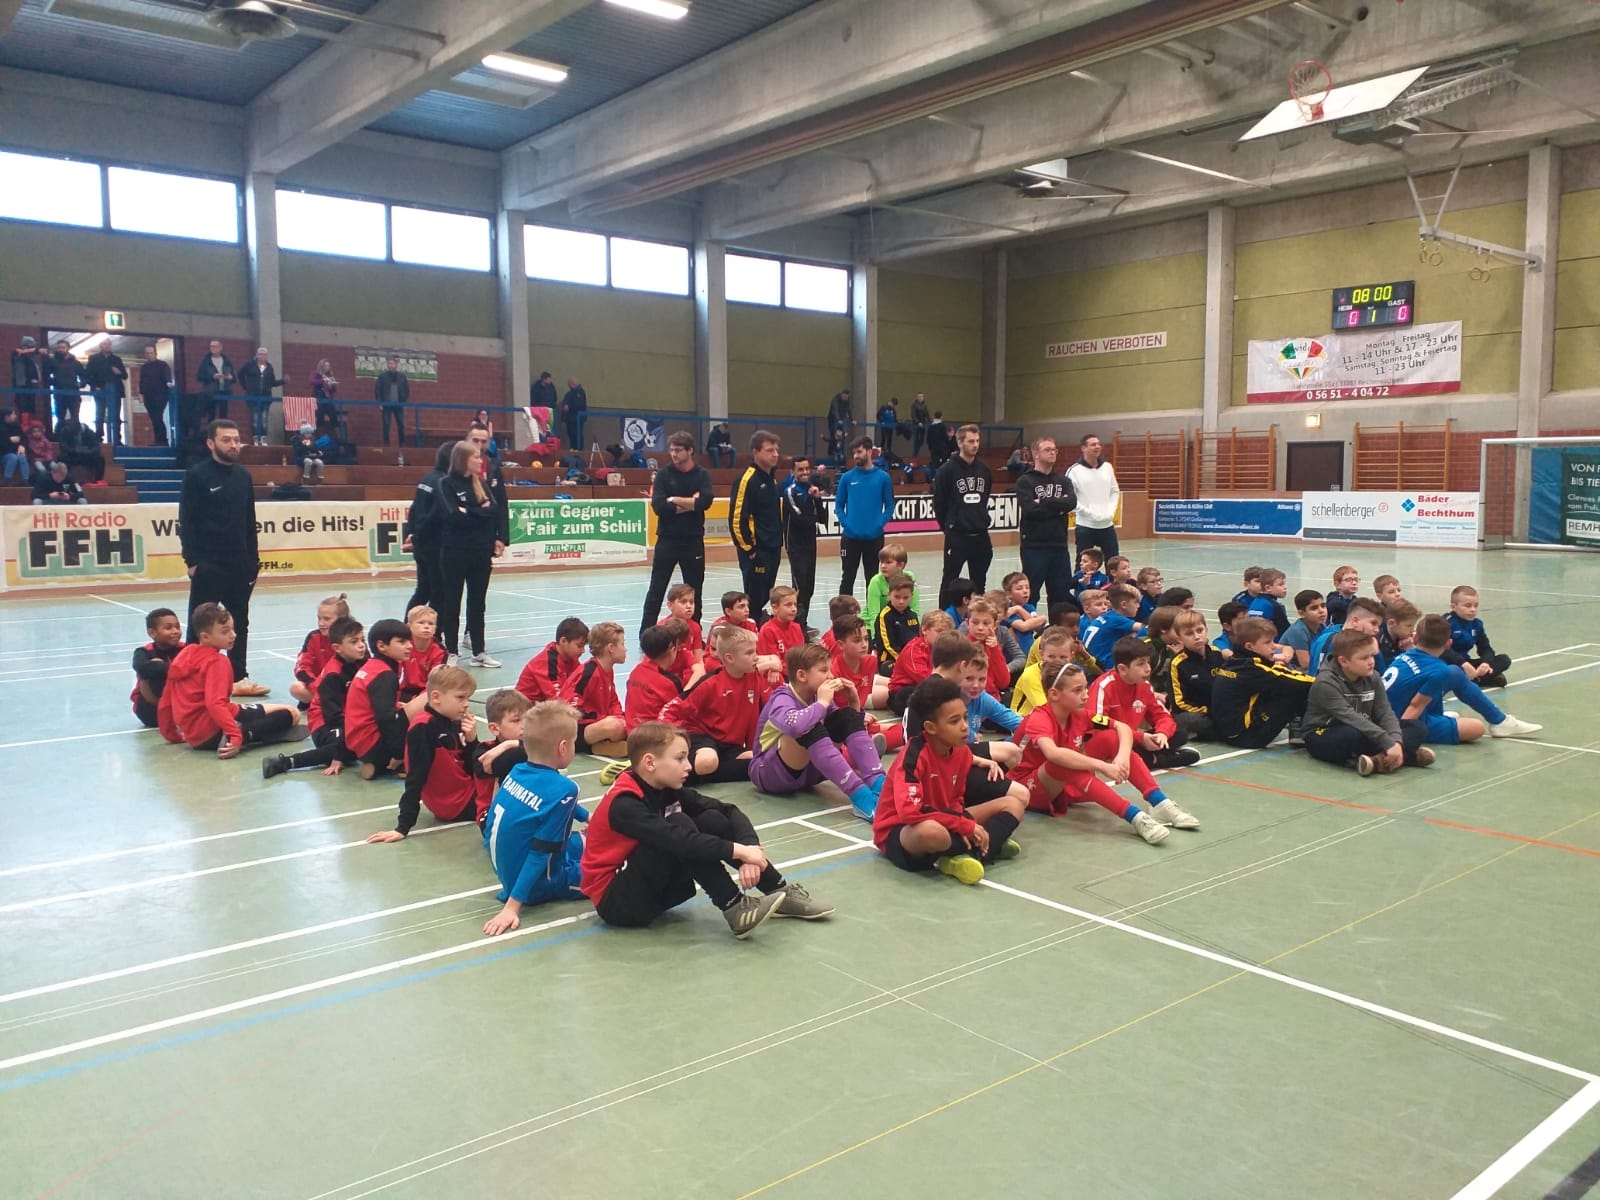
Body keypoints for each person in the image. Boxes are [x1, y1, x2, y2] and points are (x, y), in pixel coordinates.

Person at [581, 721, 832, 936]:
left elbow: (729, 811)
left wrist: (751, 850)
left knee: (711, 819)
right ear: (650, 762)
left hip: (649, 887)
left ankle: (778, 888)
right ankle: (734, 906)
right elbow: (678, 840)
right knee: (679, 826)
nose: (688, 766)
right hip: (618, 901)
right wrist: (739, 852)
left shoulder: (664, 787)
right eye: (680, 758)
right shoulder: (624, 804)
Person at [873, 676, 1028, 886]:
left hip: (944, 819)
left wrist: (962, 824)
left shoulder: (961, 752)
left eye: (965, 717)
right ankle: (984, 846)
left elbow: (956, 799)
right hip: (902, 831)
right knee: (932, 833)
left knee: (1013, 804)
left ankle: (967, 853)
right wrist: (963, 826)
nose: (965, 727)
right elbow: (911, 812)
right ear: (931, 727)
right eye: (954, 721)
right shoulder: (913, 756)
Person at [480, 701, 590, 936]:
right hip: (541, 883)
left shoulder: (517, 770)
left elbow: (548, 805)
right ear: (563, 747)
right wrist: (512, 907)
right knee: (616, 867)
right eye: (574, 742)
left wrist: (588, 816)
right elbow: (540, 853)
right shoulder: (565, 789)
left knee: (592, 839)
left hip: (508, 872)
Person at [178, 419, 267, 695]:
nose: (233, 445)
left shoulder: (243, 476)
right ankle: (193, 677)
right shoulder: (196, 476)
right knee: (199, 624)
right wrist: (193, 562)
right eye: (226, 440)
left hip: (240, 565)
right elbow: (187, 521)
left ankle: (238, 677)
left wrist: (253, 562)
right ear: (211, 443)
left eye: (236, 440)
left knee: (239, 622)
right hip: (209, 565)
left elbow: (249, 521)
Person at [750, 643, 886, 820]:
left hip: (810, 772)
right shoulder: (782, 698)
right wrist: (822, 703)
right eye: (823, 670)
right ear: (802, 675)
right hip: (771, 774)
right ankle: (861, 796)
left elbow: (843, 726)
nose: (831, 676)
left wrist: (853, 702)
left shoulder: (816, 695)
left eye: (829, 669)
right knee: (807, 726)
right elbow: (795, 726)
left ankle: (881, 785)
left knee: (845, 716)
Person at [368, 664, 492, 843]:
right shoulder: (423, 728)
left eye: (468, 698)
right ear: (436, 697)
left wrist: (472, 740)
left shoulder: (453, 721)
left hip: (466, 792)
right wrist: (402, 827)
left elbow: (471, 766)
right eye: (460, 697)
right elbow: (415, 778)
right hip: (457, 803)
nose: (466, 704)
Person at [158, 603, 302, 755]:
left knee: (283, 710)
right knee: (290, 714)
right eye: (225, 631)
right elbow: (215, 703)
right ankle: (248, 734)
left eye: (233, 629)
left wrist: (171, 735)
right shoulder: (217, 661)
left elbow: (165, 702)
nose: (233, 635)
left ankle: (250, 730)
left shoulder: (185, 653)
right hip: (214, 734)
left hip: (194, 736)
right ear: (205, 636)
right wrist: (235, 736)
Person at [1381, 615, 1542, 745]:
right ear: (1449, 644)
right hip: (1401, 720)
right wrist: (1399, 737)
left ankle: (1500, 721)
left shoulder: (1406, 653)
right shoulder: (1439, 670)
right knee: (1477, 728)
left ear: (1415, 639)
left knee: (1455, 672)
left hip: (1385, 712)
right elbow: (1415, 706)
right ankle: (1498, 722)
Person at [1304, 628, 1434, 777]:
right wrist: (1388, 742)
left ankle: (1379, 761)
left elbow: (1385, 712)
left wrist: (1396, 741)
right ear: (1343, 661)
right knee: (1351, 734)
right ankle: (1405, 756)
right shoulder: (1326, 683)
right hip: (1324, 733)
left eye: (1372, 655)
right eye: (1364, 658)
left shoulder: (1373, 677)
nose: (1371, 662)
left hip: (1364, 729)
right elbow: (1351, 717)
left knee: (1417, 727)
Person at [262, 617, 369, 779]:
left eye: (362, 640)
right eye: (354, 642)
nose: (361, 645)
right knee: (350, 745)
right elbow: (334, 718)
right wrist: (340, 753)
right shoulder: (333, 675)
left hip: (350, 719)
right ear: (337, 648)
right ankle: (284, 762)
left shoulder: (363, 660)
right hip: (324, 724)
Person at [437, 432, 508, 669]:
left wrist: (469, 511)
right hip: (455, 552)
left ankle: (479, 651)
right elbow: (453, 516)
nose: (480, 460)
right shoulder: (446, 484)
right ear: (463, 459)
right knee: (452, 602)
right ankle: (451, 651)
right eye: (476, 457)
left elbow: (493, 511)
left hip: (480, 552)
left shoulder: (481, 484)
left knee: (477, 604)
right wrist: (478, 511)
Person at [661, 624, 765, 783]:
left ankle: (708, 774)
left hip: (730, 745)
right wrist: (671, 743)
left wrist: (753, 748)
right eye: (749, 653)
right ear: (730, 658)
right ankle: (668, 773)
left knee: (759, 760)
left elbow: (752, 718)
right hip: (702, 738)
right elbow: (670, 710)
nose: (756, 657)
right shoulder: (710, 683)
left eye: (755, 651)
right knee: (708, 761)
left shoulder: (753, 676)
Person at [1087, 636, 1201, 770]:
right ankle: (1160, 759)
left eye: (1148, 662)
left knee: (1179, 731)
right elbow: (1097, 725)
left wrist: (1162, 734)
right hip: (1109, 741)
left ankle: (1151, 757)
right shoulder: (1104, 687)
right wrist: (1140, 738)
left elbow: (1162, 715)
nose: (1148, 668)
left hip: (1133, 739)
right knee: (1113, 740)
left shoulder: (1144, 686)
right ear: (1123, 669)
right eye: (1141, 664)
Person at [641, 430, 712, 637]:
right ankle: (646, 635)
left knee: (695, 592)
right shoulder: (664, 475)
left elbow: (705, 502)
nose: (674, 454)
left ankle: (694, 636)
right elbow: (659, 507)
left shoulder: (702, 475)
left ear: (690, 451)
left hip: (693, 541)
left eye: (679, 450)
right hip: (667, 540)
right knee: (656, 590)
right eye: (672, 450)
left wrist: (674, 500)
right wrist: (690, 502)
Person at [1209, 617, 1315, 749]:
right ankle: (1309, 728)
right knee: (1294, 690)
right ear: (1250, 646)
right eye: (1268, 642)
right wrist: (1325, 682)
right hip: (1247, 737)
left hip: (1228, 733)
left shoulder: (1236, 661)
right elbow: (1295, 681)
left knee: (1282, 685)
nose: (1273, 646)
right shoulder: (1253, 669)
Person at [344, 618, 428, 779]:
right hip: (375, 745)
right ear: (381, 646)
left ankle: (377, 765)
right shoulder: (384, 675)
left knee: (406, 708)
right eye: (402, 642)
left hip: (361, 744)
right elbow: (386, 720)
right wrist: (398, 754)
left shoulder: (373, 666)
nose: (409, 646)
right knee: (431, 699)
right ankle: (399, 762)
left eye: (409, 641)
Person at [1015, 436, 1076, 617]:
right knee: (1030, 593)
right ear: (1036, 454)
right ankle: (1028, 626)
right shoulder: (1025, 481)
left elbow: (1071, 503)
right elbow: (1031, 509)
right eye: (1047, 449)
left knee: (1061, 593)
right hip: (1034, 546)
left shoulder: (1063, 480)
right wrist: (1058, 505)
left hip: (1059, 545)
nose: (1052, 453)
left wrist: (1043, 501)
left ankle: (1058, 629)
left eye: (1054, 449)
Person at [933, 423, 994, 593]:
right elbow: (939, 504)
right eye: (971, 441)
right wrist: (950, 527)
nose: (975, 445)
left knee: (979, 581)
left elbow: (985, 498)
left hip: (981, 535)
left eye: (977, 441)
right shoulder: (947, 470)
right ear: (960, 443)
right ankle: (945, 611)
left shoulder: (984, 470)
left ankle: (978, 611)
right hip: (957, 535)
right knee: (949, 580)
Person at [730, 429, 783, 619]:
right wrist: (750, 549)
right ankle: (748, 629)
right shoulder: (747, 480)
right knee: (753, 597)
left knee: (765, 594)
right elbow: (736, 519)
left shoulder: (772, 480)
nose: (775, 454)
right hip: (757, 550)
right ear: (755, 452)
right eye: (769, 450)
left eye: (776, 450)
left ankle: (758, 624)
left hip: (773, 547)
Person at [559, 621, 629, 757]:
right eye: (622, 644)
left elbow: (613, 701)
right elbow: (570, 709)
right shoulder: (589, 672)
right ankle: (594, 746)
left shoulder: (608, 670)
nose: (625, 649)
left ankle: (602, 744)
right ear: (611, 648)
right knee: (614, 726)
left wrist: (620, 717)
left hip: (594, 724)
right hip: (573, 730)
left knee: (628, 722)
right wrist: (602, 718)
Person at [836, 436, 894, 599]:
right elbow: (839, 505)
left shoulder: (883, 478)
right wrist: (847, 524)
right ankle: (844, 612)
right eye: (854, 453)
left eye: (859, 452)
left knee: (873, 579)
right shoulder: (847, 478)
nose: (856, 456)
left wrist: (879, 524)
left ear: (869, 452)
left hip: (874, 538)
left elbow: (890, 505)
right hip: (850, 538)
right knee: (847, 578)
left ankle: (872, 612)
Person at [404, 442, 454, 614]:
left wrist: (411, 534)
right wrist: (416, 536)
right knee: (438, 594)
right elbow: (434, 515)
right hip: (434, 545)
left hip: (422, 544)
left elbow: (414, 509)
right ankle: (432, 627)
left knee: (423, 591)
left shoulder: (427, 478)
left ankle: (407, 626)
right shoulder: (442, 482)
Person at [781, 454, 825, 630]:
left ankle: (802, 625)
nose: (805, 472)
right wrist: (811, 508)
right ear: (793, 471)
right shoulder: (790, 492)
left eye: (807, 469)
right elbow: (800, 520)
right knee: (799, 588)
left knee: (809, 588)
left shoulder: (812, 490)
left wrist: (817, 499)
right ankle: (796, 627)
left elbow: (822, 519)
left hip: (810, 545)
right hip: (795, 546)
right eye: (800, 469)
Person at [1066, 433, 1121, 561]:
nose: (1097, 447)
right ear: (1083, 448)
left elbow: (1114, 491)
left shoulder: (1107, 467)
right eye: (1093, 444)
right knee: (1083, 564)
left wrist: (1111, 512)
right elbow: (1070, 498)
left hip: (1107, 526)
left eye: (1098, 444)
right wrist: (1090, 513)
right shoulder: (1074, 471)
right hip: (1085, 527)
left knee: (1114, 563)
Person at [1445, 585, 1513, 688]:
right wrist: (1463, 664)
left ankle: (1475, 679)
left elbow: (1485, 648)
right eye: (1467, 606)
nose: (1473, 609)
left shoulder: (1476, 625)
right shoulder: (1445, 624)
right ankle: (1481, 679)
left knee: (1504, 659)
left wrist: (1486, 663)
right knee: (1448, 671)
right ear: (1454, 607)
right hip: (1449, 664)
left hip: (1467, 664)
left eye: (1476, 606)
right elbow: (1442, 651)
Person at [289, 593, 349, 707]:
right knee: (296, 688)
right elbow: (302, 667)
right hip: (318, 687)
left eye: (327, 619)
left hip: (344, 688)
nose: (321, 623)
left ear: (342, 620)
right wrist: (316, 685)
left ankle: (327, 704)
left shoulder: (352, 638)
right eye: (319, 618)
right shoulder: (313, 637)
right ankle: (324, 703)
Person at [131, 607, 184, 728]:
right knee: (151, 670)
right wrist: (167, 668)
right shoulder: (143, 652)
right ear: (152, 633)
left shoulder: (185, 649)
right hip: (150, 710)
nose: (175, 631)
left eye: (177, 627)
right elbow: (140, 666)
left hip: (178, 704)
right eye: (168, 628)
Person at [626, 625, 685, 732]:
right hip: (656, 735)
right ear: (672, 650)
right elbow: (679, 712)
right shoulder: (669, 682)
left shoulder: (635, 672)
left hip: (632, 731)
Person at [517, 616, 588, 703]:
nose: (583, 650)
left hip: (543, 705)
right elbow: (558, 702)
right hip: (525, 708)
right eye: (579, 646)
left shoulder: (571, 658)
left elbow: (582, 684)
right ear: (563, 641)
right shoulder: (547, 663)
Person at [398, 604, 447, 703]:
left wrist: (418, 700)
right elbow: (395, 674)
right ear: (409, 626)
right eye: (421, 623)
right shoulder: (403, 647)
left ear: (435, 629)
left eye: (431, 623)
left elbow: (435, 681)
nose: (426, 626)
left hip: (429, 691)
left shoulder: (439, 651)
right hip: (407, 690)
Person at [237, 347, 286, 447]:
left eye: (264, 354)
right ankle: (256, 439)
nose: (262, 356)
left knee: (264, 419)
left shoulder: (269, 367)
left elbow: (272, 382)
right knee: (255, 419)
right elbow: (240, 373)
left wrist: (283, 381)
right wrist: (246, 386)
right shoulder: (250, 365)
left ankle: (263, 439)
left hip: (265, 397)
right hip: (252, 397)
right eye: (260, 354)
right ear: (256, 355)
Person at [83, 338, 126, 447]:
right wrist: (95, 386)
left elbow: (125, 375)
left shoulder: (116, 359)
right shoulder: (94, 359)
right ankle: (98, 439)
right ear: (100, 346)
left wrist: (119, 372)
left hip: (115, 391)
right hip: (100, 390)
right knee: (100, 414)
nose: (107, 346)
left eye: (109, 344)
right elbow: (88, 375)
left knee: (116, 416)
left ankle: (117, 439)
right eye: (105, 344)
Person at [864, 543, 916, 627]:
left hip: (897, 621)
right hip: (874, 624)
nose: (883, 566)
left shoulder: (910, 578)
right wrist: (876, 634)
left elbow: (914, 609)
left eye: (888, 562)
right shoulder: (876, 582)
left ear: (901, 565)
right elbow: (873, 615)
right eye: (881, 562)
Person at [136, 345, 173, 447]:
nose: (149, 355)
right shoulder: (144, 367)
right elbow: (142, 381)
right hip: (148, 396)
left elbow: (167, 376)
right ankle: (158, 440)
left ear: (155, 353)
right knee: (153, 418)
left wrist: (168, 382)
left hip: (160, 395)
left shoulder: (162, 365)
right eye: (147, 353)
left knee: (157, 417)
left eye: (151, 353)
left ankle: (163, 440)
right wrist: (141, 393)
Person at [195, 339, 235, 424]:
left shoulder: (226, 360)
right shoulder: (206, 361)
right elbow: (199, 376)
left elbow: (234, 377)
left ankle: (222, 430)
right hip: (210, 392)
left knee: (223, 415)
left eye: (215, 346)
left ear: (220, 348)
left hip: (224, 391)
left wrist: (230, 377)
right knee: (211, 415)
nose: (212, 348)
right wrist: (212, 377)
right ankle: (211, 431)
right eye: (211, 346)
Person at [47, 339, 85, 428]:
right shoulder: (52, 362)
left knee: (75, 418)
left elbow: (83, 376)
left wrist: (80, 384)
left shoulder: (75, 363)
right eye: (59, 348)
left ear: (68, 348)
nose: (60, 349)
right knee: (60, 418)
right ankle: (60, 435)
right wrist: (55, 383)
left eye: (63, 347)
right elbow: (46, 375)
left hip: (73, 394)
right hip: (59, 394)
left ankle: (76, 435)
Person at [373, 356, 410, 446]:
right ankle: (386, 443)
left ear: (396, 364)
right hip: (386, 403)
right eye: (388, 363)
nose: (390, 365)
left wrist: (404, 400)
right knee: (386, 424)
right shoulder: (382, 376)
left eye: (391, 363)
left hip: (398, 403)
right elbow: (378, 390)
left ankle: (402, 442)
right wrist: (380, 403)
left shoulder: (402, 376)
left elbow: (406, 389)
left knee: (401, 423)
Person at [10, 334, 45, 421]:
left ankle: (29, 424)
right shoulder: (17, 354)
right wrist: (37, 350)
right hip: (21, 386)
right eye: (31, 346)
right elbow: (21, 352)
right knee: (23, 409)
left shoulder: (30, 359)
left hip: (30, 387)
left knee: (31, 409)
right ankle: (24, 425)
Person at [561, 376, 587, 451]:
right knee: (572, 436)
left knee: (576, 435)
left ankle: (578, 451)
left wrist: (569, 407)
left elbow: (580, 405)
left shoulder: (579, 392)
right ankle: (573, 449)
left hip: (576, 418)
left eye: (569, 384)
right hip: (570, 419)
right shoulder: (571, 393)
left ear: (572, 384)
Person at [826, 387, 853, 456]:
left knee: (841, 435)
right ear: (842, 394)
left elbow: (849, 409)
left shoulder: (847, 401)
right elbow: (835, 410)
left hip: (841, 418)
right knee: (834, 435)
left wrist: (852, 419)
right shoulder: (835, 400)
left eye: (847, 397)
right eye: (844, 396)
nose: (845, 398)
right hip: (833, 419)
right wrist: (838, 419)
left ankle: (840, 452)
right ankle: (831, 452)